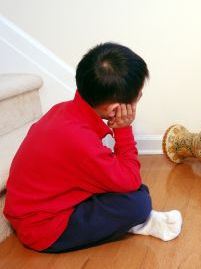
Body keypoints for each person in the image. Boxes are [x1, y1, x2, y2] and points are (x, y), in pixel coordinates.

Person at [3, 42, 182, 253]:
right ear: (116, 108)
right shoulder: (79, 140)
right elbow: (131, 181)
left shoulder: (63, 110)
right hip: (44, 229)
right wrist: (123, 129)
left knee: (128, 189)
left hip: (44, 203)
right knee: (138, 202)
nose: (138, 99)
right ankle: (140, 223)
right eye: (139, 96)